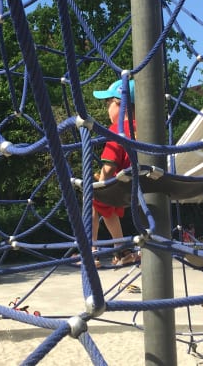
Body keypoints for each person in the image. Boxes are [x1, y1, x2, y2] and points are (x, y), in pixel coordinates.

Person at [91, 78, 140, 267]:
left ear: (121, 105)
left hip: (120, 188)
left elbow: (110, 165)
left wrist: (102, 181)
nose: (106, 109)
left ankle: (91, 251)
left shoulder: (117, 130)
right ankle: (122, 251)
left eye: (108, 103)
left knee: (91, 199)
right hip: (136, 189)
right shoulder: (144, 128)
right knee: (104, 207)